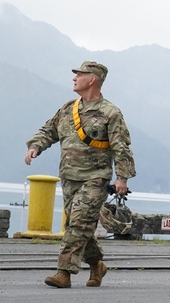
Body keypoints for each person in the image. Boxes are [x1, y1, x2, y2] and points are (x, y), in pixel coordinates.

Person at [24, 61, 136, 289]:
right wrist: (35, 146)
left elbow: (121, 147)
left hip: (95, 178)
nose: (74, 78)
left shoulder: (110, 113)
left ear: (92, 79)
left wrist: (122, 177)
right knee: (81, 226)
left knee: (77, 225)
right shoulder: (68, 109)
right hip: (69, 178)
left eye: (80, 75)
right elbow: (49, 130)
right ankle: (97, 264)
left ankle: (64, 273)